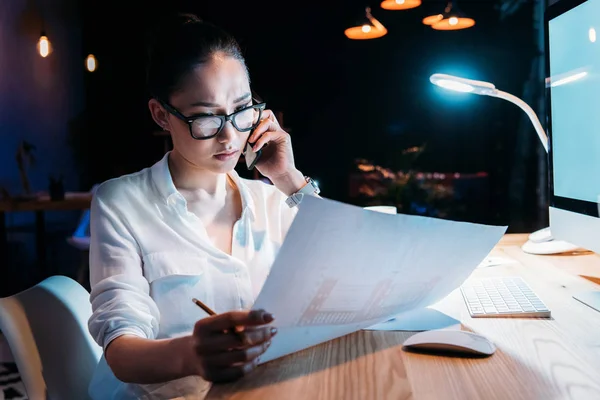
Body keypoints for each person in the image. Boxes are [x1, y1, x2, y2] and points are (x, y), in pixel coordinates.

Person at [87, 12, 320, 399]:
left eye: (243, 109)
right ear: (161, 114)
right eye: (205, 118)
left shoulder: (271, 198)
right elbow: (121, 350)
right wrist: (191, 354)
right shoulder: (121, 202)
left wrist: (289, 178)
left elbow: (344, 271)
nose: (230, 136)